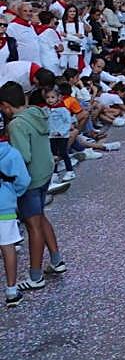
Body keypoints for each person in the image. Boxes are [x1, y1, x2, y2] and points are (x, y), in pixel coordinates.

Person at [0, 81, 65, 293]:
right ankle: (56, 260)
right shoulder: (36, 113)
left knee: (33, 225)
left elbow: (22, 156)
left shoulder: (16, 124)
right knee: (40, 217)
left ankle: (35, 276)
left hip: (29, 180)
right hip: (44, 172)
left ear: (6, 105)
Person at [0, 128, 29, 306]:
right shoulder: (11, 153)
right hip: (4, 206)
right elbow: (23, 181)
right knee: (7, 246)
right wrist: (13, 194)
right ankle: (11, 290)